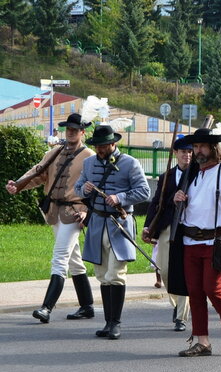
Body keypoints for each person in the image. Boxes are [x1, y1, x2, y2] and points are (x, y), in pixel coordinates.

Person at [6, 113, 95, 323]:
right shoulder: (55, 152)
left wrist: (86, 212)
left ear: (83, 132)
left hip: (74, 213)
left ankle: (46, 308)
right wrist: (17, 185)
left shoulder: (89, 156)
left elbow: (95, 188)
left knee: (60, 257)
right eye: (68, 129)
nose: (71, 132)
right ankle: (87, 305)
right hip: (54, 212)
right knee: (74, 261)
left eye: (75, 129)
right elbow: (38, 173)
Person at [168, 128, 221, 357]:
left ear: (214, 148)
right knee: (194, 291)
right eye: (195, 147)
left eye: (202, 146)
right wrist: (177, 200)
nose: (197, 151)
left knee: (212, 288)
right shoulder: (192, 173)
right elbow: (188, 209)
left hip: (215, 241)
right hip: (190, 241)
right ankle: (202, 340)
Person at [75, 125, 151, 340]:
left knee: (116, 275)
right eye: (97, 145)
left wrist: (120, 198)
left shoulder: (130, 163)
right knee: (102, 276)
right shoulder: (89, 163)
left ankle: (115, 323)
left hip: (119, 224)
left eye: (103, 145)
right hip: (97, 224)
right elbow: (78, 187)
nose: (99, 149)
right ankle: (107, 323)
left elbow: (144, 191)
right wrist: (84, 190)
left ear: (113, 143)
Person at [142, 137, 192, 332]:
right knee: (163, 269)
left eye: (189, 151)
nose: (187, 155)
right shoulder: (166, 176)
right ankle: (177, 304)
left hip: (189, 226)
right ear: (176, 153)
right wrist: (148, 226)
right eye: (183, 152)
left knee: (184, 271)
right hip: (167, 226)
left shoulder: (197, 174)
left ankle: (181, 315)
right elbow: (156, 203)